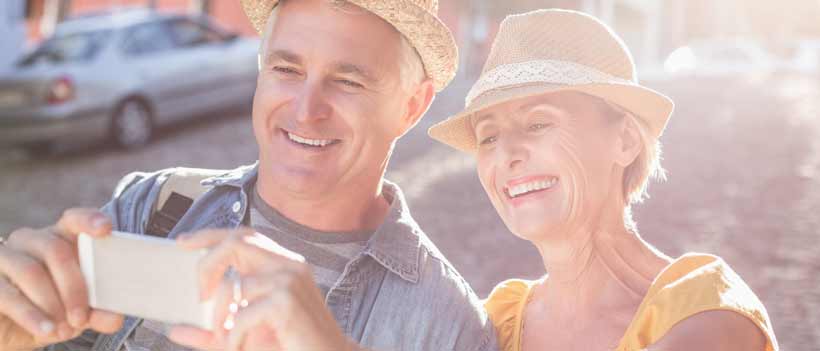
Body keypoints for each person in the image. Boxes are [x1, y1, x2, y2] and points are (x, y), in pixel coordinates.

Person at [0, 0, 498, 350]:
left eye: (347, 81)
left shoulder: (449, 325)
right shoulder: (154, 205)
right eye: (286, 70)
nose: (305, 110)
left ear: (412, 107)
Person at [428, 9, 778, 351]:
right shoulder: (496, 320)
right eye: (488, 137)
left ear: (625, 140)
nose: (506, 155)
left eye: (537, 124)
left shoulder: (707, 313)